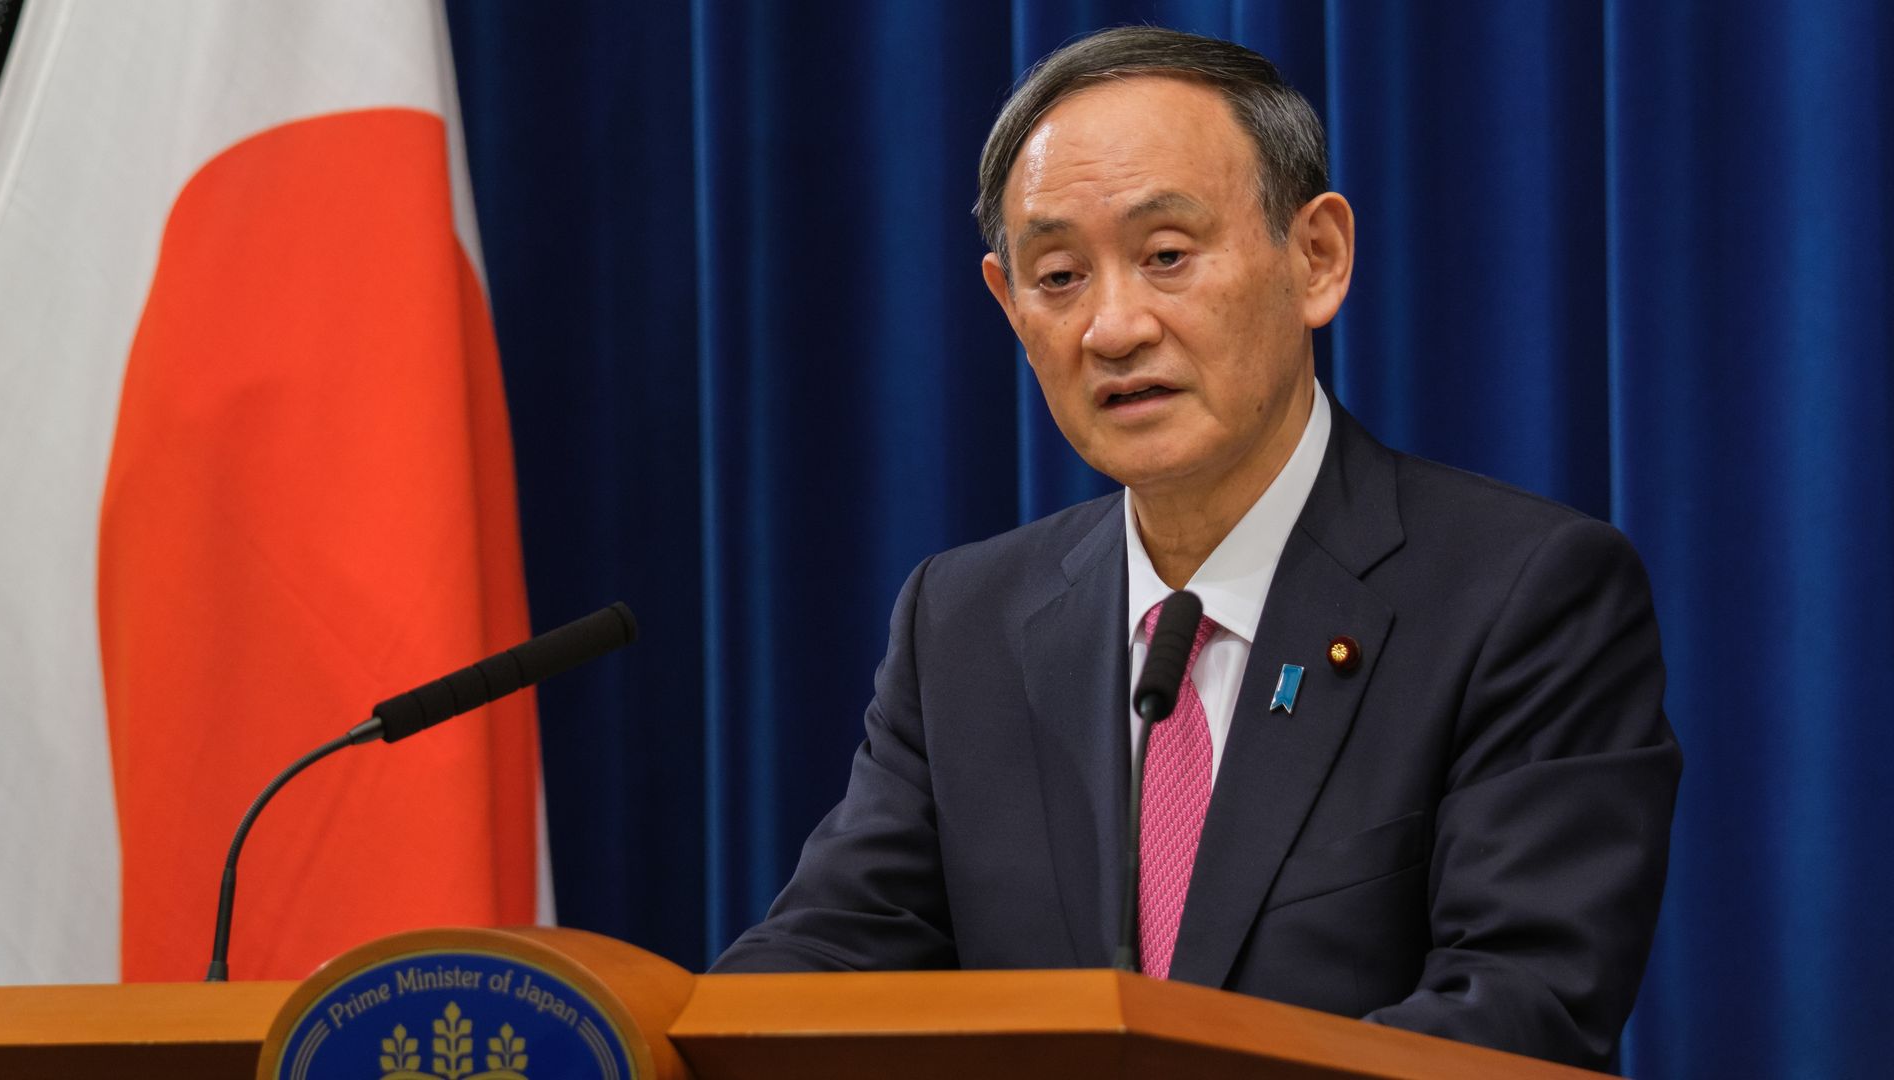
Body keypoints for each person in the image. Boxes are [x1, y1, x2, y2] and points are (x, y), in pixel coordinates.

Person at [712, 26, 1680, 1071]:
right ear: (1008, 305)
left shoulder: (1522, 595)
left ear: (1317, 258)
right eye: (1060, 276)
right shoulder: (963, 621)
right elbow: (826, 958)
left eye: (1166, 256)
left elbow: (1514, 1017)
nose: (1113, 328)